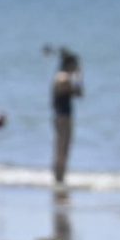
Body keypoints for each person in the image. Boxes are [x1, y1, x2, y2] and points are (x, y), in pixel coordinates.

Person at [52, 50, 82, 185]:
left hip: (63, 117)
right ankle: (58, 179)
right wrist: (77, 77)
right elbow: (78, 92)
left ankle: (60, 179)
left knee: (63, 149)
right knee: (62, 148)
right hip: (62, 117)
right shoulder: (63, 77)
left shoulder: (61, 76)